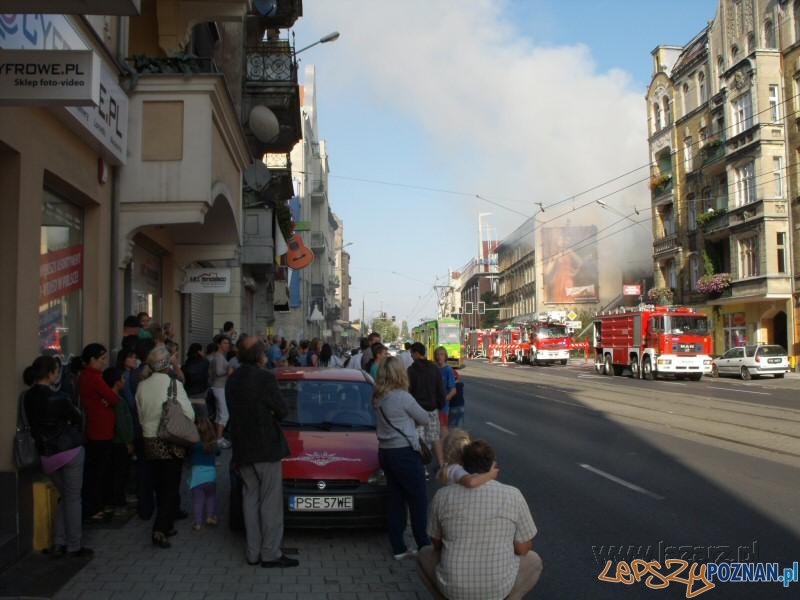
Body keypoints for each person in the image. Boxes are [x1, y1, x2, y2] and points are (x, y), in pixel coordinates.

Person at [417, 440, 543, 600]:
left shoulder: (443, 495)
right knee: (534, 560)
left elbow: (436, 544)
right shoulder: (513, 495)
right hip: (497, 590)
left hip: (453, 589)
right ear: (492, 464)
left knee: (423, 554)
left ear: (462, 464)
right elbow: (523, 549)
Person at [225, 337, 298, 568]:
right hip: (266, 447)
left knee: (250, 499)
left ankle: (252, 552)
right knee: (270, 502)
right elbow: (283, 410)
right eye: (264, 353)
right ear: (259, 357)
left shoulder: (233, 380)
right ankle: (270, 553)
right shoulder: (265, 378)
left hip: (243, 448)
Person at [23, 356, 91, 557]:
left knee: (66, 497)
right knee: (73, 498)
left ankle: (58, 542)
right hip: (69, 450)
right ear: (51, 373)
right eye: (57, 371)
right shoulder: (59, 397)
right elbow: (77, 418)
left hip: (46, 454)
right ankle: (74, 545)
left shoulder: (27, 397)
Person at [136, 346, 195, 548]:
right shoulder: (174, 384)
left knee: (159, 484)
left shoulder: (141, 386)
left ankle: (167, 524)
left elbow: (140, 414)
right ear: (167, 364)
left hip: (150, 440)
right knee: (170, 485)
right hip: (171, 440)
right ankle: (160, 529)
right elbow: (189, 414)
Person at [373, 356, 432, 560]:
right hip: (405, 453)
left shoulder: (378, 397)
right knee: (418, 500)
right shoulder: (402, 397)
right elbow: (424, 418)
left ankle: (398, 547)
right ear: (400, 373)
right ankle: (423, 544)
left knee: (396, 501)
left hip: (385, 452)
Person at [78, 343, 120, 522]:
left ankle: (95, 506)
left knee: (96, 471)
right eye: (101, 359)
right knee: (97, 472)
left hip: (97, 428)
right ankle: (93, 508)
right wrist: (107, 399)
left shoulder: (88, 377)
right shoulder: (94, 377)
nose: (104, 362)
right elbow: (113, 398)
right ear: (92, 360)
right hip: (99, 430)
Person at [102, 367, 135, 516]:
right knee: (120, 474)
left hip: (114, 441)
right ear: (116, 382)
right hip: (120, 442)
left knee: (115, 473)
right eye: (122, 378)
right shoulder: (117, 401)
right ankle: (119, 503)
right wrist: (128, 441)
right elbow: (122, 423)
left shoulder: (110, 398)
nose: (124, 380)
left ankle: (113, 501)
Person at [407, 342, 446, 466]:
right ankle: (441, 464)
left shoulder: (411, 370)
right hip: (432, 409)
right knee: (435, 437)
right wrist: (440, 405)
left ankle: (421, 467)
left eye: (412, 354)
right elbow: (440, 389)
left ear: (417, 353)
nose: (411, 356)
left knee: (419, 440)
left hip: (417, 410)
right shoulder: (434, 368)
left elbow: (408, 391)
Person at [190, 418, 219, 531]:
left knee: (198, 500)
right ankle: (210, 516)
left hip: (197, 478)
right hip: (211, 478)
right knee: (211, 497)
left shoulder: (195, 446)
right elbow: (218, 452)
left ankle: (197, 523)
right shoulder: (213, 445)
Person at [209, 335, 232, 449]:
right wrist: (229, 370)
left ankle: (218, 437)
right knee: (224, 414)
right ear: (219, 344)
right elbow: (218, 372)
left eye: (228, 343)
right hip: (219, 387)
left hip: (219, 387)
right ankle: (219, 438)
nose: (227, 345)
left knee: (220, 414)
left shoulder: (221, 356)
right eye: (224, 343)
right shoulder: (218, 356)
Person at [434, 347, 457, 443]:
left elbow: (453, 390)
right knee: (435, 429)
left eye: (442, 354)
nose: (439, 357)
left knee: (443, 428)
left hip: (443, 406)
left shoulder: (448, 370)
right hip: (433, 404)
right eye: (438, 354)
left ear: (445, 356)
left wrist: (444, 400)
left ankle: (447, 448)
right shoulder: (434, 368)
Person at [182, 343, 210, 418]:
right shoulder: (205, 362)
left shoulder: (186, 364)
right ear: (199, 351)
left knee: (190, 416)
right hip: (201, 393)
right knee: (203, 418)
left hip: (188, 392)